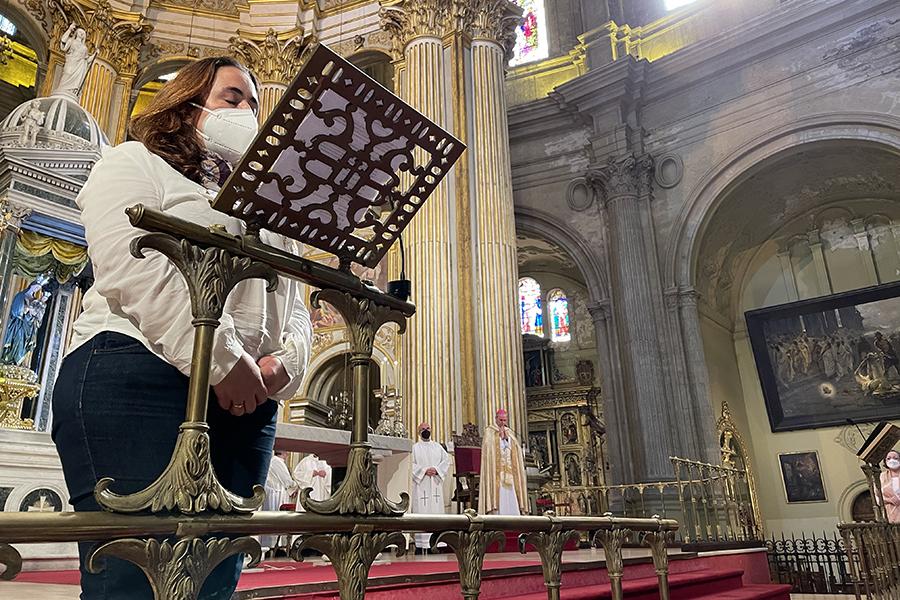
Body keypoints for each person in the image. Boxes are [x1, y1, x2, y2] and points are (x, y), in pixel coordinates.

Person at [51, 57, 313, 600]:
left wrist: (286, 360)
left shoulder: (272, 208)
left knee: (216, 576)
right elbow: (130, 264)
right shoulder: (134, 161)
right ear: (186, 106)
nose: (250, 113)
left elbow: (296, 302)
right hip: (136, 371)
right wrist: (221, 359)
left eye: (256, 105)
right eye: (232, 98)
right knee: (135, 576)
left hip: (248, 399)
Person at [478, 408, 529, 515]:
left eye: (505, 420)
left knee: (512, 494)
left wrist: (507, 439)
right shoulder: (489, 431)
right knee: (500, 493)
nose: (503, 423)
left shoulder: (509, 432)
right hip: (497, 472)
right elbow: (488, 448)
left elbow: (516, 448)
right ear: (496, 419)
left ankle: (514, 516)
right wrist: (499, 438)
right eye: (501, 420)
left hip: (509, 472)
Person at [410, 422, 450, 554]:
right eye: (422, 429)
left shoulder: (437, 447)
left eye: (427, 428)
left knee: (436, 512)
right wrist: (424, 471)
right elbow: (411, 464)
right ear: (418, 432)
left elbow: (447, 460)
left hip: (435, 485)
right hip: (421, 485)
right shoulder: (414, 448)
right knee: (421, 511)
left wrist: (437, 470)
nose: (425, 431)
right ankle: (420, 545)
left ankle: (435, 544)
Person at [260, 450, 297, 556]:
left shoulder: (275, 461)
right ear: (282, 452)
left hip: (275, 492)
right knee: (277, 518)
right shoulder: (277, 461)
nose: (289, 453)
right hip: (276, 493)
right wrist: (294, 488)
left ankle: (274, 546)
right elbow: (286, 479)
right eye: (287, 451)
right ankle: (273, 546)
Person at [54, 23, 97, 98]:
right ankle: (62, 90)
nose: (81, 34)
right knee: (67, 73)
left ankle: (72, 92)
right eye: (80, 32)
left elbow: (87, 61)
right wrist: (69, 30)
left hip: (79, 67)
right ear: (76, 33)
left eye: (83, 33)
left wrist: (95, 54)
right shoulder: (71, 41)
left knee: (76, 83)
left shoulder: (85, 48)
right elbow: (63, 43)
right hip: (71, 62)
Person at [880, 450, 900, 523]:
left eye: (895, 458)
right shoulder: (882, 476)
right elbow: (878, 496)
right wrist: (890, 500)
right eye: (888, 458)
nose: (892, 460)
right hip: (890, 514)